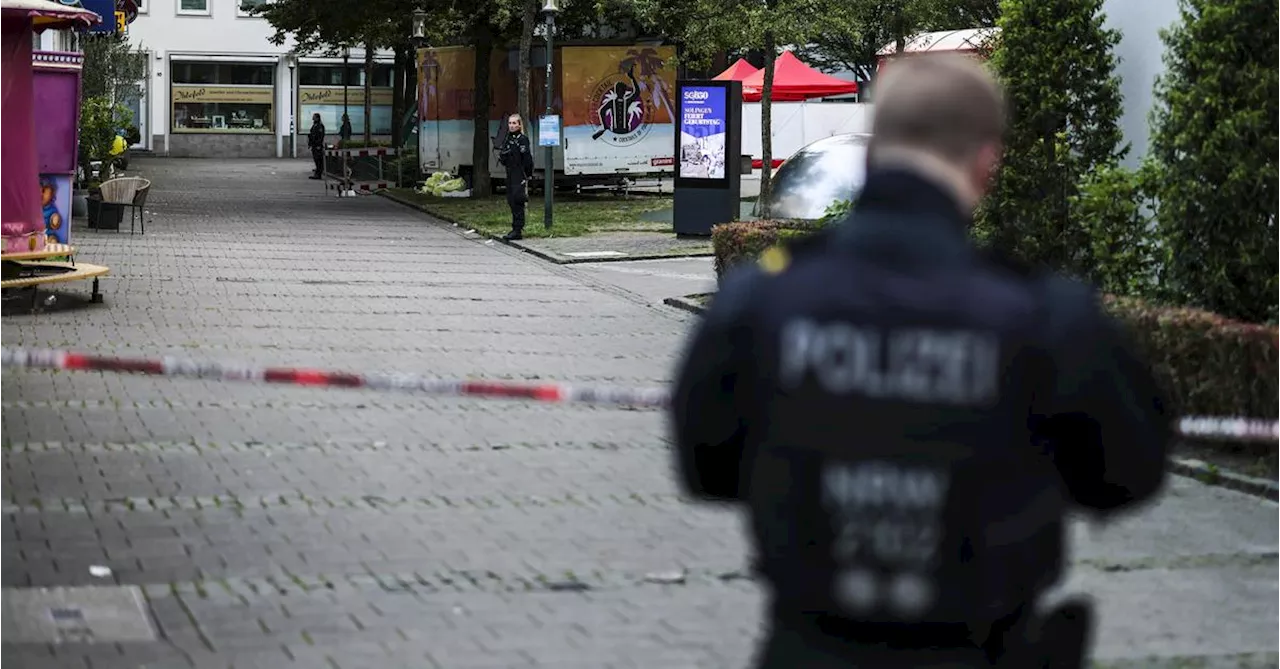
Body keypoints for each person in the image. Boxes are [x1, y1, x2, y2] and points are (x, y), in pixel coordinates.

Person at [670, 54, 1171, 669]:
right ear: (988, 161)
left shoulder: (762, 300)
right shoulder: (1044, 316)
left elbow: (704, 465)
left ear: (874, 149)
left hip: (808, 646)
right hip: (978, 647)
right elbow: (1130, 473)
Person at [497, 114, 534, 240]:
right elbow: (504, 157)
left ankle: (518, 229)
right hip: (510, 172)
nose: (511, 126)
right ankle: (514, 227)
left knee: (518, 200)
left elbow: (527, 158)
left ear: (519, 124)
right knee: (511, 200)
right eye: (510, 123)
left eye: (514, 123)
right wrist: (503, 157)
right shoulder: (508, 138)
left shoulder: (522, 139)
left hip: (519, 173)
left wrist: (528, 174)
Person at [307, 113, 326, 180]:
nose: (313, 118)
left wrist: (318, 145)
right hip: (314, 145)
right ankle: (317, 173)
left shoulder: (320, 126)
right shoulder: (314, 125)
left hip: (317, 145)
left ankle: (318, 174)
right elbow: (312, 135)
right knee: (316, 160)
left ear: (317, 118)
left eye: (314, 117)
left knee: (318, 160)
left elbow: (320, 136)